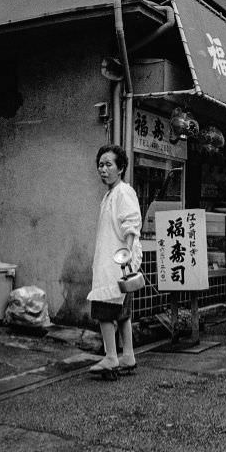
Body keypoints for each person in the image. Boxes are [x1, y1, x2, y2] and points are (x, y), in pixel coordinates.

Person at [87, 145, 142, 376]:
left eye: (109, 164)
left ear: (120, 168)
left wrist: (126, 253)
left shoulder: (122, 192)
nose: (103, 169)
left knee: (104, 309)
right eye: (101, 164)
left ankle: (111, 357)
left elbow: (131, 223)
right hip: (116, 260)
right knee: (121, 311)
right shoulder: (110, 194)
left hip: (116, 261)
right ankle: (128, 355)